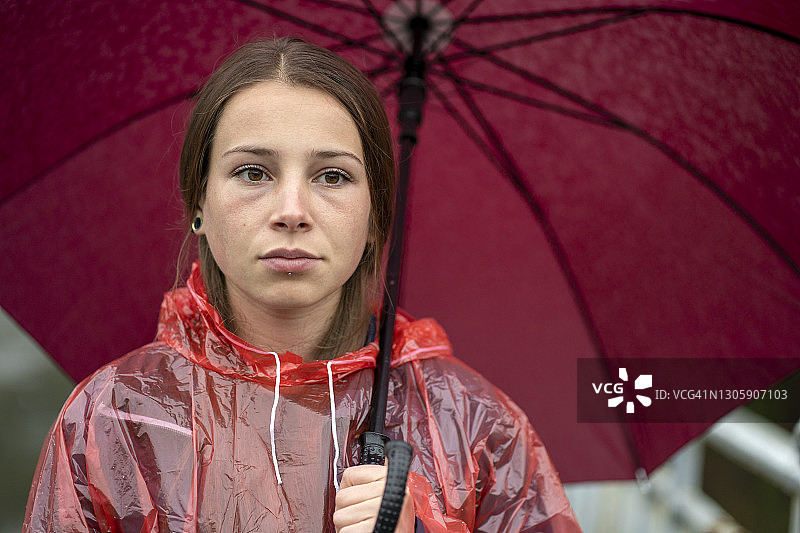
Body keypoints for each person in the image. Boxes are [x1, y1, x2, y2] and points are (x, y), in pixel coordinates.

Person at [23, 37, 582, 532]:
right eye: (253, 172)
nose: (292, 211)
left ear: (373, 215)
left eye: (332, 175)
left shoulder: (476, 425)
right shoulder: (114, 417)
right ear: (199, 202)